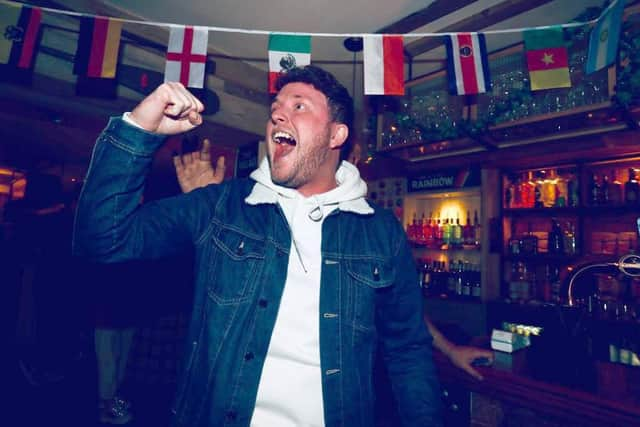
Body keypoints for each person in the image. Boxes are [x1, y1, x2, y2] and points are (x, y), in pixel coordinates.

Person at [74, 65, 443, 426]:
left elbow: (408, 348)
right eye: (275, 110)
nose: (279, 116)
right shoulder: (221, 206)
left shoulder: (380, 232)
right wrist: (140, 128)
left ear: (336, 135)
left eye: (298, 106)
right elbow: (103, 241)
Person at [174, 140, 494, 383]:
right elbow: (225, 286)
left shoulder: (371, 230)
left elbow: (401, 316)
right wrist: (210, 213)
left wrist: (450, 350)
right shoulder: (268, 210)